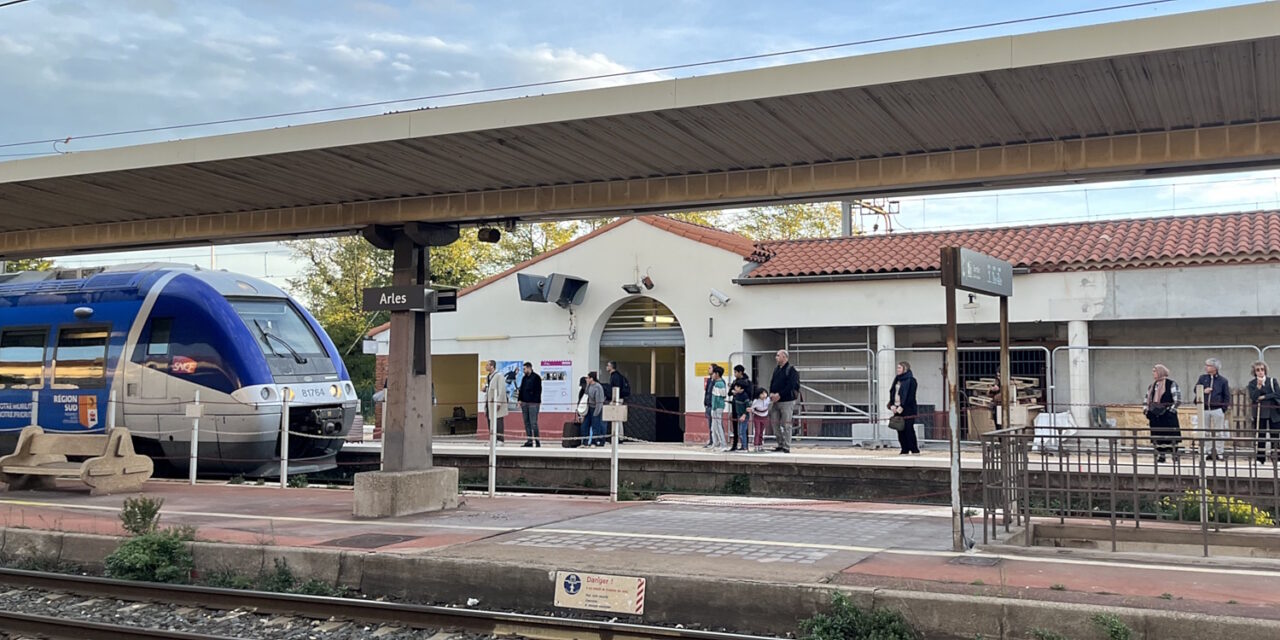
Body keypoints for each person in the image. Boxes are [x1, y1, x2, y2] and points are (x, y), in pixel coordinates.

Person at [1144, 364, 1182, 463]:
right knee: (1158, 435)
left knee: (1171, 435)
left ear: (1160, 372)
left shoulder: (1171, 384)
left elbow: (1177, 400)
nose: (1153, 373)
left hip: (1168, 415)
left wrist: (1170, 411)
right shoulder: (1152, 386)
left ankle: (1174, 454)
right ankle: (1161, 455)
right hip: (1155, 416)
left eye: (1155, 371)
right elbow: (1147, 400)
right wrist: (1146, 411)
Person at [1196, 357, 1231, 461]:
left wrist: (1223, 408)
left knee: (1219, 431)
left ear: (1215, 368)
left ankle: (1219, 452)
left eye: (1209, 365)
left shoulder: (1223, 380)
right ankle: (1207, 451)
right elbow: (1196, 389)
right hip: (1205, 408)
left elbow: (1226, 395)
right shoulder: (1202, 378)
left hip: (1217, 409)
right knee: (1205, 431)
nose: (1206, 367)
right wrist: (1204, 391)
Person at [1247, 361, 1280, 463]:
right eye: (1258, 370)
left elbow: (1278, 394)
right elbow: (1253, 397)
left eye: (1262, 369)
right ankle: (1260, 458)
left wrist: (1265, 396)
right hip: (1260, 412)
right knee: (1260, 435)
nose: (1260, 372)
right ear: (1254, 372)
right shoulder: (1252, 384)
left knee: (1275, 435)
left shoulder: (1272, 381)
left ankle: (1276, 457)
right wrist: (1259, 387)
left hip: (1273, 412)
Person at [768, 350, 800, 453]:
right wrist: (771, 393)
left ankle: (787, 446)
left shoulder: (791, 370)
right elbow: (772, 382)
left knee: (786, 424)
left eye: (778, 355)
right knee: (774, 422)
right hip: (775, 401)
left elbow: (791, 385)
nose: (776, 357)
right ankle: (780, 443)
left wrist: (780, 394)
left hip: (787, 401)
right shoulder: (776, 369)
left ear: (784, 357)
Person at [887, 361, 921, 455]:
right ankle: (904, 449)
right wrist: (892, 405)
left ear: (905, 369)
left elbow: (911, 395)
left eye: (899, 368)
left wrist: (903, 406)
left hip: (908, 408)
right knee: (900, 429)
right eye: (897, 368)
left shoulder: (911, 380)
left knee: (909, 429)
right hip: (897, 407)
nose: (897, 370)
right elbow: (893, 392)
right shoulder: (897, 379)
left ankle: (914, 449)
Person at [482, 360, 508, 444]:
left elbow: (501, 389)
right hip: (489, 402)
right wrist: (485, 389)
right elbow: (489, 388)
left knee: (498, 420)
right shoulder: (488, 377)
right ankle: (493, 439)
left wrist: (499, 402)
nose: (486, 367)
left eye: (487, 365)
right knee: (490, 420)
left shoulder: (499, 376)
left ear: (492, 366)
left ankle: (500, 439)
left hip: (496, 402)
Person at [518, 362, 542, 448]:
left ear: (529, 368)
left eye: (524, 369)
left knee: (533, 423)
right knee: (526, 423)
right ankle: (529, 441)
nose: (523, 371)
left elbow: (538, 391)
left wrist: (534, 401)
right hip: (524, 403)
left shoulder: (536, 378)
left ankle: (537, 441)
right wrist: (519, 399)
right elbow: (521, 389)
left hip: (533, 404)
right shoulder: (524, 378)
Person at [709, 366, 728, 451]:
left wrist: (714, 408)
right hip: (717, 407)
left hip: (717, 407)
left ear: (717, 374)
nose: (712, 375)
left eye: (713, 373)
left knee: (718, 426)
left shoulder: (718, 384)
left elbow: (717, 398)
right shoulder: (721, 383)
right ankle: (715, 443)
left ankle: (723, 444)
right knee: (713, 427)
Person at [585, 371, 606, 447]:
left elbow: (599, 401)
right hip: (590, 407)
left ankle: (596, 441)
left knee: (596, 425)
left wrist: (597, 411)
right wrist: (587, 385)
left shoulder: (598, 387)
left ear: (591, 378)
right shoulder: (589, 386)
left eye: (587, 378)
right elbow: (586, 394)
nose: (586, 379)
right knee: (588, 424)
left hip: (596, 408)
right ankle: (587, 441)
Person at [730, 380, 750, 452]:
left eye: (737, 387)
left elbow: (748, 408)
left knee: (742, 432)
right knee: (740, 432)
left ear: (742, 389)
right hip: (739, 415)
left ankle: (745, 447)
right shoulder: (737, 395)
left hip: (744, 416)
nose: (735, 388)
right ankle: (742, 446)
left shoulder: (745, 396)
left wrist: (744, 415)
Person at [750, 386, 771, 452]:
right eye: (762, 394)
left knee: (762, 431)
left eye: (765, 393)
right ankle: (756, 445)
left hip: (765, 416)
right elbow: (752, 409)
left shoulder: (768, 399)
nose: (764, 395)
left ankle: (761, 445)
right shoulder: (756, 401)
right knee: (757, 431)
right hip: (757, 416)